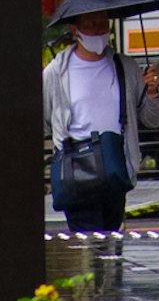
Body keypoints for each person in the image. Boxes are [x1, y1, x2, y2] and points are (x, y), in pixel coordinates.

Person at [47, 13, 130, 230]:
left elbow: (151, 118)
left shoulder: (124, 67)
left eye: (103, 25)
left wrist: (152, 93)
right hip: (78, 167)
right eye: (91, 25)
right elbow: (46, 117)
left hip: (114, 167)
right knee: (89, 243)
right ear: (75, 30)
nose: (98, 31)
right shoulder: (56, 72)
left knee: (112, 240)